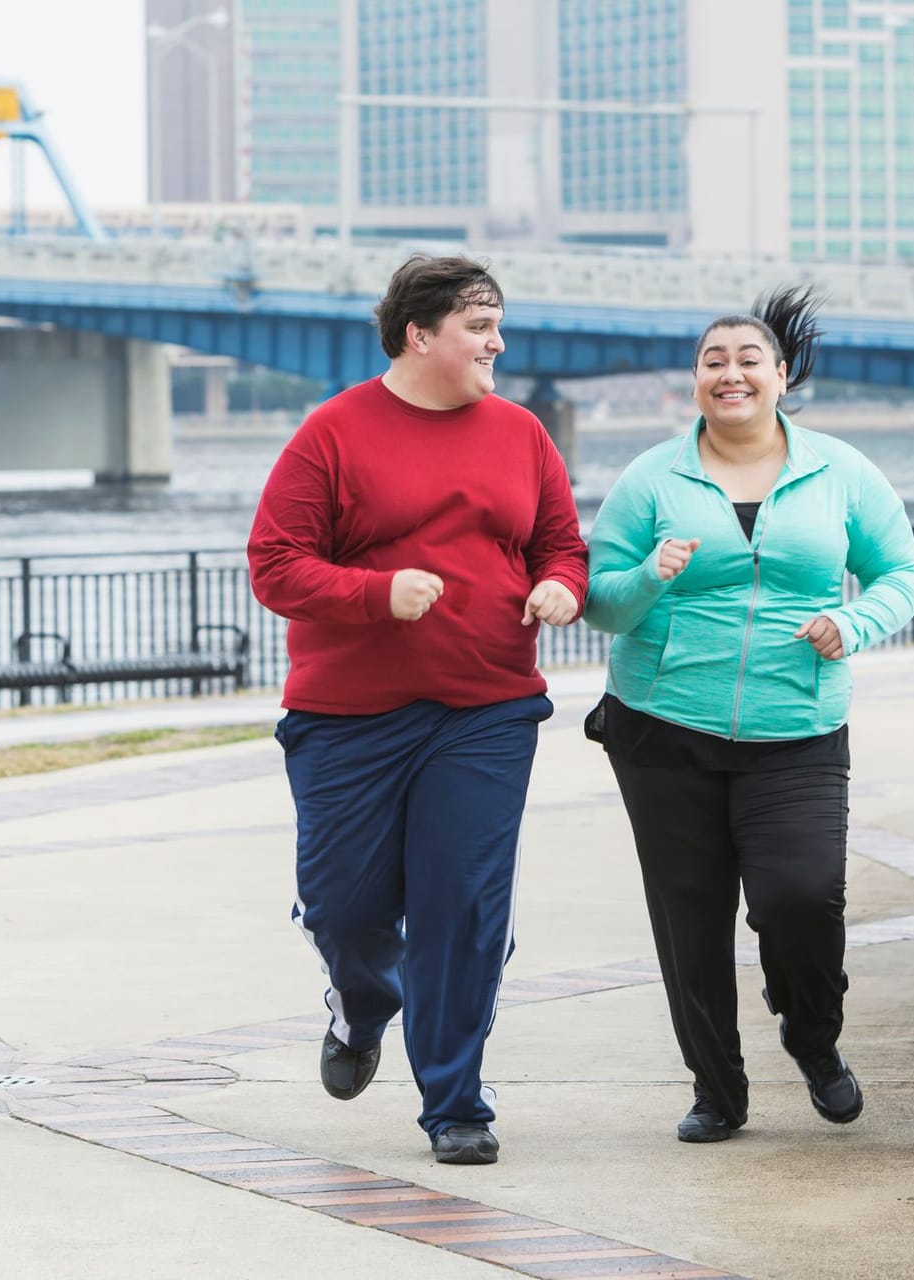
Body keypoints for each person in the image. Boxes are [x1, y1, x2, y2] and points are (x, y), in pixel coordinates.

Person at [247, 255, 588, 1165]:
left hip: (487, 709)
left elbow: (562, 543)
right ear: (419, 334)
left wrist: (559, 585)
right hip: (349, 717)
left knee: (464, 908)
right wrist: (373, 593)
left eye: (497, 324)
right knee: (343, 908)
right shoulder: (331, 434)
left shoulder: (521, 434)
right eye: (480, 326)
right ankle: (362, 1004)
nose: (497, 343)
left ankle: (457, 1104)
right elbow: (274, 565)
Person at [583, 286, 914, 1143]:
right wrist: (650, 577)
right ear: (695, 382)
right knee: (689, 915)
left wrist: (852, 622)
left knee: (803, 900)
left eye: (747, 360)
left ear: (782, 375)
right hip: (663, 726)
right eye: (712, 361)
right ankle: (717, 1091)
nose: (729, 374)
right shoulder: (652, 477)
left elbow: (904, 576)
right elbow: (601, 601)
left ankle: (814, 1040)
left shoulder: (840, 471)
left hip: (798, 729)